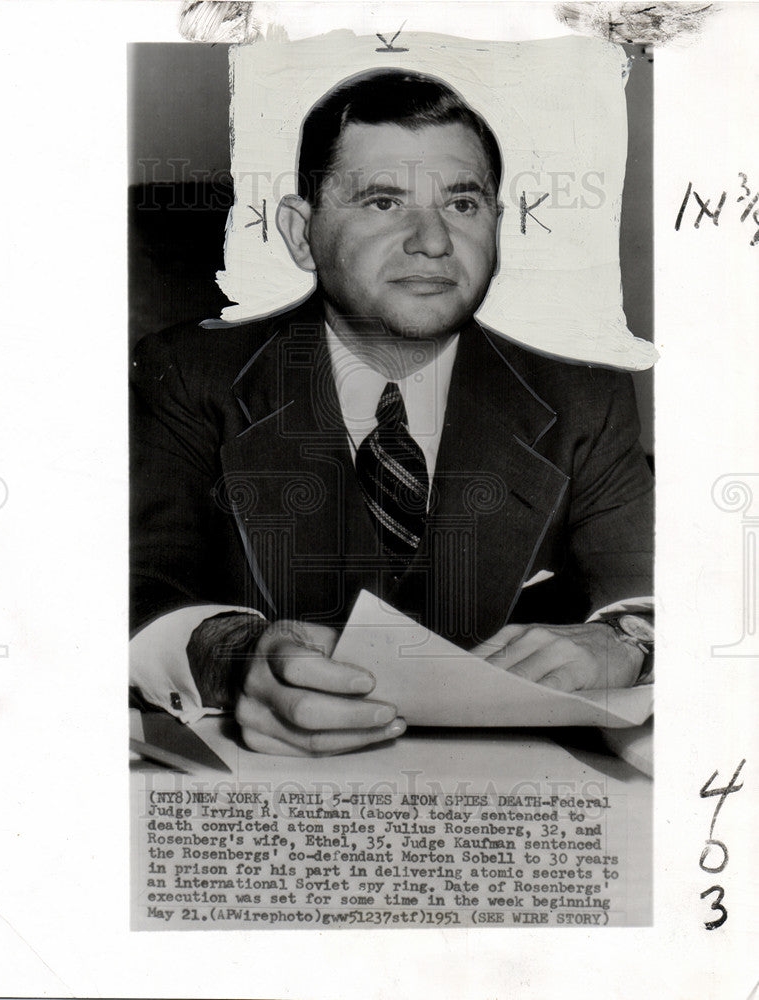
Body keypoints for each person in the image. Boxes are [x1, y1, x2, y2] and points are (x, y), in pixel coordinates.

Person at [130, 68, 654, 756]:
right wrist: (234, 654)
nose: (433, 241)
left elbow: (659, 586)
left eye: (462, 205)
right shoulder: (187, 378)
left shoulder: (585, 399)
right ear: (300, 231)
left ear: (496, 227)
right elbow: (135, 587)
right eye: (383, 203)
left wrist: (623, 641)